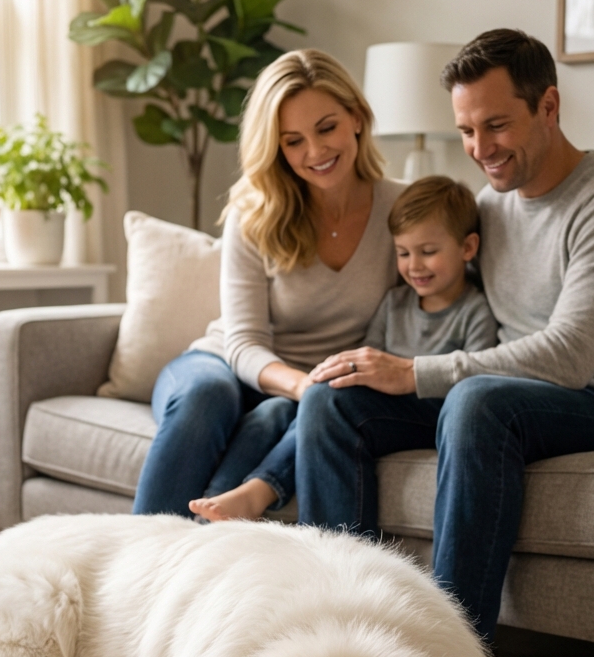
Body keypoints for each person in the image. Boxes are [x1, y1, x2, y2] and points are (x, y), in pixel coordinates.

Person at [299, 28, 594, 643]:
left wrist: (414, 372)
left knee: (477, 400)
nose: (479, 148)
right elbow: (441, 295)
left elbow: (569, 357)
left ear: (548, 108)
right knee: (332, 399)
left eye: (495, 126)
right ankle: (340, 633)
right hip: (507, 399)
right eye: (467, 131)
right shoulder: (489, 207)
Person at [131, 49, 404, 518]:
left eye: (326, 128)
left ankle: (205, 534)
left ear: (356, 117)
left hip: (314, 392)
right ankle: (136, 554)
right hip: (224, 366)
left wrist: (316, 393)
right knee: (206, 395)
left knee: (298, 413)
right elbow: (242, 343)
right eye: (293, 141)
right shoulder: (256, 211)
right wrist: (304, 386)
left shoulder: (403, 208)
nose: (315, 153)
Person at [189, 175, 498, 521]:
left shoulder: (476, 312)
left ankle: (259, 489)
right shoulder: (394, 303)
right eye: (402, 253)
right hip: (378, 409)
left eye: (428, 252)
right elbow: (367, 359)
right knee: (294, 406)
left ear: (468, 249)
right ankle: (218, 508)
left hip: (429, 414)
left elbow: (473, 378)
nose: (414, 266)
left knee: (322, 404)